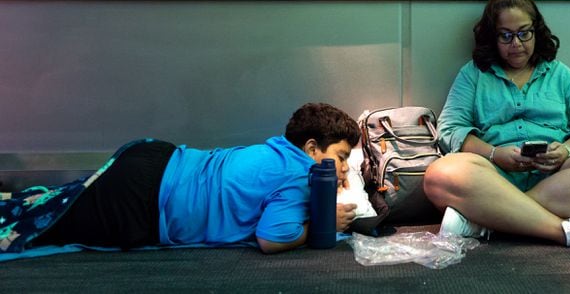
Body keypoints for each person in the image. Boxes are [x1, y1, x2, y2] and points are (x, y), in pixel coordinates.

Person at [423, 0, 570, 249]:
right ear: (492, 37)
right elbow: (450, 129)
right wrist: (494, 154)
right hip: (493, 176)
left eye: (525, 33)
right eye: (506, 36)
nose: (517, 44)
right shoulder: (474, 74)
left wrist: (567, 150)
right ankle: (567, 233)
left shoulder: (560, 74)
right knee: (439, 174)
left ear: (537, 31)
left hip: (556, 180)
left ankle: (487, 221)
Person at [2, 103, 359, 255]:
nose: (343, 169)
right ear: (312, 148)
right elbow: (271, 239)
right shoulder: (298, 177)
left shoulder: (279, 152)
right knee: (38, 230)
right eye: (341, 157)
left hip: (154, 159)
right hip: (144, 201)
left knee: (48, 204)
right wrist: (322, 223)